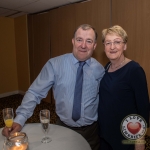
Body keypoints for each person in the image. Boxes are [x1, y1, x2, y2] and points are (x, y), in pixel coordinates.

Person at [2, 24, 105, 150]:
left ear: (94, 45)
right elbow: (35, 92)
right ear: (73, 41)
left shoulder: (100, 70)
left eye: (89, 41)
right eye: (79, 39)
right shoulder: (54, 65)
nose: (83, 45)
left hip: (91, 132)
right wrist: (20, 119)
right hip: (63, 128)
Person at [98, 25, 149, 150]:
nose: (112, 47)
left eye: (117, 42)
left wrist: (139, 142)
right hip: (105, 136)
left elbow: (143, 109)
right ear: (104, 47)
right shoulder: (106, 67)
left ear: (124, 46)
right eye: (108, 43)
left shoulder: (134, 70)